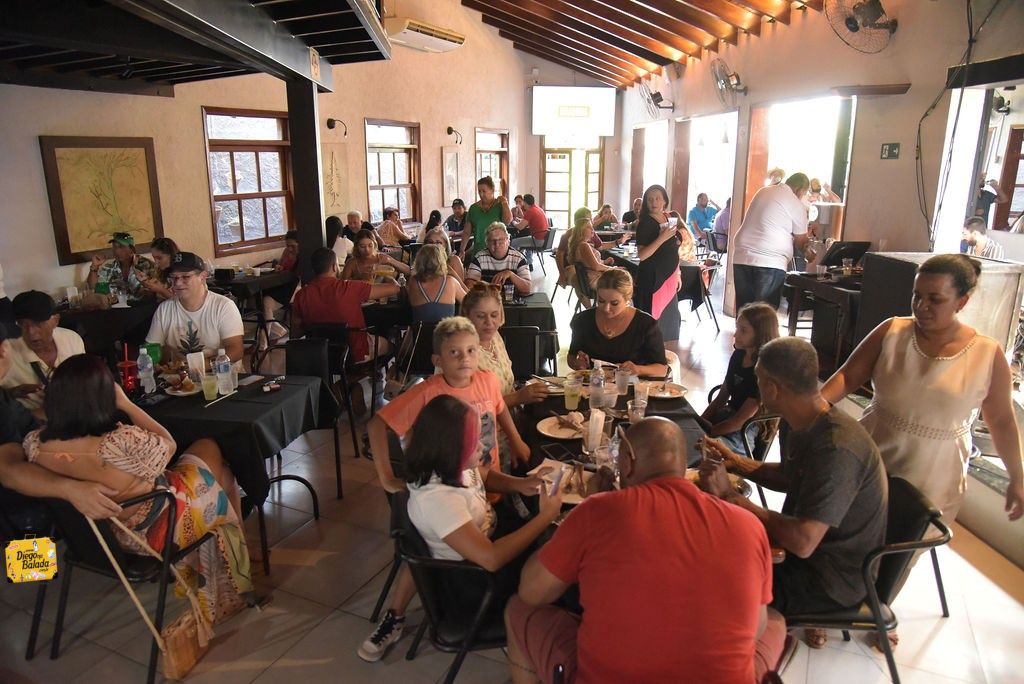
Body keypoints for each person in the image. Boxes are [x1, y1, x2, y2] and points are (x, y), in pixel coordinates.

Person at [506, 417, 786, 683]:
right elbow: (756, 627)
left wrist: (587, 510)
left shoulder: (597, 511)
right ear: (682, 465)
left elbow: (532, 593)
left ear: (628, 461)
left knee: (517, 609)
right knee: (775, 622)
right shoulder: (749, 525)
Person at [21, 354, 255, 633]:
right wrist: (125, 403)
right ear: (102, 397)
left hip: (100, 539)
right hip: (157, 532)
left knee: (222, 478)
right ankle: (238, 557)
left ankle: (233, 556)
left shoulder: (34, 445)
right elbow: (168, 445)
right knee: (211, 450)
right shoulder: (118, 443)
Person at [361, 317, 532, 660]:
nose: (465, 359)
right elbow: (378, 425)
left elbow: (499, 411)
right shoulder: (429, 393)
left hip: (480, 486)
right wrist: (385, 477)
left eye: (471, 351)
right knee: (432, 545)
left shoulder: (486, 380)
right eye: (455, 352)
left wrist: (516, 444)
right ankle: (396, 616)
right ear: (438, 359)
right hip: (449, 495)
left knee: (463, 536)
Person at [700, 336, 887, 649]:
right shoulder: (805, 420)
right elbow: (790, 476)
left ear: (772, 388)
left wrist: (733, 498)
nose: (758, 387)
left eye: (759, 380)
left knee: (707, 579)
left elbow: (803, 541)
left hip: (828, 581)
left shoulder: (837, 447)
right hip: (806, 559)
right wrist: (736, 463)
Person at [822, 254, 1023, 526]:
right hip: (873, 454)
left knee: (906, 542)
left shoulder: (987, 353)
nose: (921, 306)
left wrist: (1017, 478)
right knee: (849, 531)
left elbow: (1001, 421)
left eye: (935, 299)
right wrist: (813, 410)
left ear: (961, 302)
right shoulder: (892, 331)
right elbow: (847, 377)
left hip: (936, 473)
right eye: (917, 296)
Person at [461, 283, 550, 444]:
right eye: (481, 316)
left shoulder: (494, 337)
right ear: (467, 316)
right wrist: (518, 398)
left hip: (513, 426)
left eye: (494, 315)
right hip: (485, 440)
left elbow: (507, 384)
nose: (489, 322)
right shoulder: (463, 354)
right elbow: (473, 408)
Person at [292, 247, 399, 363]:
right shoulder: (349, 287)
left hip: (319, 356)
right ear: (334, 267)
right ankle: (376, 370)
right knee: (392, 346)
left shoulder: (301, 295)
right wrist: (389, 277)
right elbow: (395, 288)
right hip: (355, 354)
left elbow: (296, 332)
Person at [700, 303, 779, 454]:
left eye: (743, 330)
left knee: (705, 449)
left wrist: (708, 433)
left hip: (742, 432)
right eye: (737, 328)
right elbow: (720, 399)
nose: (735, 334)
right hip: (726, 417)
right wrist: (699, 422)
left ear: (760, 334)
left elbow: (740, 421)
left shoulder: (763, 371)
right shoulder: (738, 356)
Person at [145, 252, 244, 366]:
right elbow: (152, 348)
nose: (178, 283)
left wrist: (202, 365)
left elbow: (236, 351)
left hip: (221, 373)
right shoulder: (164, 309)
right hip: (182, 374)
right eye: (174, 277)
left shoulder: (223, 306)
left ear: (202, 277)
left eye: (185, 277)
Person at [731, 173, 813, 309]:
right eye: (804, 193)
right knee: (764, 314)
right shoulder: (795, 203)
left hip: (742, 255)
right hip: (769, 260)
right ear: (800, 190)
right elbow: (801, 242)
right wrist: (810, 254)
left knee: (744, 311)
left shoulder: (764, 191)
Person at [567, 269, 668, 377]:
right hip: (594, 383)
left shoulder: (645, 324)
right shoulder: (583, 320)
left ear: (627, 299)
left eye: (614, 303)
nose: (606, 308)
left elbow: (662, 369)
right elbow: (571, 356)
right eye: (601, 301)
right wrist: (578, 364)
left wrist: (638, 369)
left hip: (632, 383)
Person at [1, 290, 85, 411]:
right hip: (28, 419)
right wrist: (9, 394)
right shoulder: (5, 354)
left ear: (55, 320)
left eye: (37, 323)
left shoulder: (72, 340)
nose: (31, 332)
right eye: (22, 324)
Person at [634, 184, 689, 342]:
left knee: (669, 323)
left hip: (669, 277)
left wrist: (678, 273)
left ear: (664, 201)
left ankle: (666, 353)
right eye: (650, 199)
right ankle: (651, 353)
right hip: (653, 278)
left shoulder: (668, 217)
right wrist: (661, 238)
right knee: (652, 323)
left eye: (658, 198)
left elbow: (673, 250)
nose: (654, 202)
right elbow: (642, 255)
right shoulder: (645, 223)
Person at [86, 232, 158, 302]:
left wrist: (145, 285)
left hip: (143, 306)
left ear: (132, 250)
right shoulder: (110, 267)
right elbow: (93, 287)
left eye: (121, 247)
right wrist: (94, 266)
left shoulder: (147, 265)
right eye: (114, 247)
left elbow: (156, 292)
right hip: (118, 307)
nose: (116, 250)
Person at [465, 223, 532, 295]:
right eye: (492, 241)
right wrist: (489, 288)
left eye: (501, 240)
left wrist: (511, 274)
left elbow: (527, 288)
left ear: (508, 241)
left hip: (513, 300)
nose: (497, 244)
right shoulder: (479, 257)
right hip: (487, 299)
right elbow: (469, 285)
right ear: (487, 243)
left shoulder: (519, 258)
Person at [408, 244, 465, 324]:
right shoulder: (450, 282)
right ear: (441, 261)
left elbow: (410, 301)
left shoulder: (413, 282)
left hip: (420, 331)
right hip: (446, 331)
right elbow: (470, 303)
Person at [262, 230, 301, 344]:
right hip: (283, 285)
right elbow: (282, 265)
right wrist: (280, 267)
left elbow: (298, 276)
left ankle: (264, 342)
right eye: (287, 245)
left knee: (266, 302)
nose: (290, 249)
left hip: (296, 287)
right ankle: (276, 332)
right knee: (262, 300)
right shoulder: (286, 252)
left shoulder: (303, 256)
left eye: (292, 246)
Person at [461, 177, 512, 258]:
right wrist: (462, 250)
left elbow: (508, 221)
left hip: (498, 249)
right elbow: (467, 232)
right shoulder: (473, 208)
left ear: (492, 190)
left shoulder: (500, 205)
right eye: (479, 191)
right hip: (479, 249)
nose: (481, 194)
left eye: (484, 191)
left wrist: (505, 202)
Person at [340, 229, 410, 282]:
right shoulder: (352, 263)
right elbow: (343, 284)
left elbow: (408, 271)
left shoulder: (382, 258)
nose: (367, 250)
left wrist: (391, 261)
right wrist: (359, 278)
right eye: (362, 246)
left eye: (370, 245)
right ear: (356, 247)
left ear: (375, 245)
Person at [566, 215, 614, 291]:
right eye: (589, 227)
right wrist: (614, 268)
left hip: (590, 277)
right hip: (594, 279)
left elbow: (588, 263)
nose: (592, 229)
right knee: (624, 278)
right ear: (581, 230)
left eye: (592, 227)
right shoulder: (583, 245)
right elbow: (596, 267)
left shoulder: (581, 244)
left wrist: (604, 261)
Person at [509, 194, 550, 267]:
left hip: (537, 240)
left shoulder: (530, 211)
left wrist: (513, 222)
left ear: (524, 202)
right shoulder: (538, 208)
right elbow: (528, 222)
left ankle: (514, 265)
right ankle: (528, 261)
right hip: (543, 239)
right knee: (526, 237)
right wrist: (520, 220)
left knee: (513, 242)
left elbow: (520, 227)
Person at [134, 237, 179, 301]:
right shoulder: (160, 271)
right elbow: (156, 297)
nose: (156, 262)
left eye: (159, 258)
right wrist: (146, 284)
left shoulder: (182, 273)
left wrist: (161, 290)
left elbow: (182, 302)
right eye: (154, 258)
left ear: (171, 255)